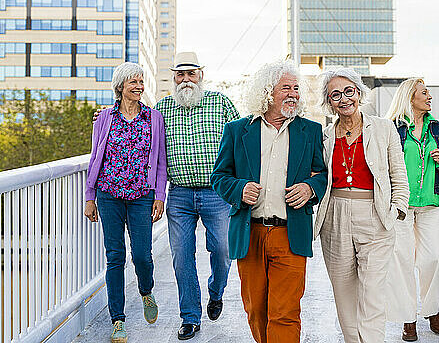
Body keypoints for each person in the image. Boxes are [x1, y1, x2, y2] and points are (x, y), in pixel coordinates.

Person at [211, 59, 328, 343]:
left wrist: (310, 188)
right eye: (285, 88)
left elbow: (322, 175)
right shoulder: (237, 130)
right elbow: (219, 177)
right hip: (249, 233)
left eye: (296, 88)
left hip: (291, 234)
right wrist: (238, 189)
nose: (293, 94)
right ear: (267, 92)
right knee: (256, 311)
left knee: (285, 312)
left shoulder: (310, 131)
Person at [313, 67, 409, 343]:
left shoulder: (383, 128)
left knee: (372, 293)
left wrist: (397, 209)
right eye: (335, 95)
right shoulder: (324, 136)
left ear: (359, 93)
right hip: (335, 215)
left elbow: (398, 174)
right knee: (344, 293)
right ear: (328, 102)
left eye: (348, 91)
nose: (343, 99)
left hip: (376, 214)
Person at [155, 52, 240, 340]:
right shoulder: (162, 108)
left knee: (223, 250)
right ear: (174, 77)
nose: (186, 79)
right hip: (179, 195)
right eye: (181, 74)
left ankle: (216, 292)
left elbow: (242, 140)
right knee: (181, 257)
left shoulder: (221, 102)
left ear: (201, 75)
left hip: (217, 193)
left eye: (191, 73)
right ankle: (190, 317)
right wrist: (104, 117)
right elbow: (136, 127)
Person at [84, 62, 167, 343]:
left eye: (141, 81)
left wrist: (159, 195)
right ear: (120, 86)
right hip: (109, 195)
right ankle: (117, 320)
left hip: (141, 196)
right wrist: (90, 196)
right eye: (133, 81)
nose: (139, 86)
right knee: (114, 256)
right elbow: (96, 157)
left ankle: (146, 290)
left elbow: (160, 161)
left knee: (142, 255)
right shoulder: (104, 118)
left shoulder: (154, 118)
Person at [385, 78, 439, 342]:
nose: (429, 97)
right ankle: (408, 318)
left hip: (430, 203)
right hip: (401, 204)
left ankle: (431, 309)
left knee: (434, 258)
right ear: (410, 97)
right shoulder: (392, 127)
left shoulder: (437, 128)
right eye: (424, 93)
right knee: (401, 259)